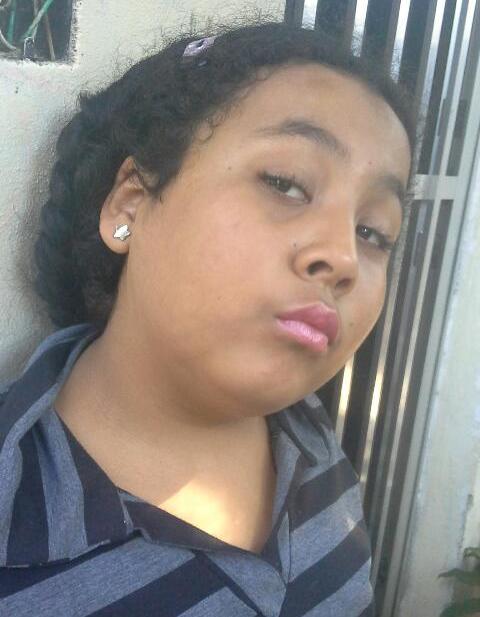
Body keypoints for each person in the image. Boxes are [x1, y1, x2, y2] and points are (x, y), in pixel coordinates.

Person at [0, 19, 414, 617]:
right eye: (285, 183)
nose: (344, 258)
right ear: (131, 202)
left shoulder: (312, 442)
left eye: (374, 231)